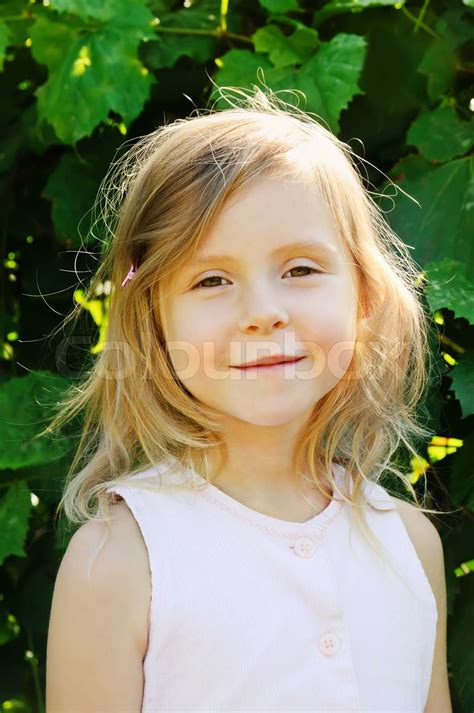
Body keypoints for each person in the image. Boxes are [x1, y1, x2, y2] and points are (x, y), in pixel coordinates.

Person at [45, 87, 452, 712]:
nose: (264, 313)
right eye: (212, 280)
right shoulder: (120, 565)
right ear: (155, 327)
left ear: (365, 297)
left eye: (301, 270)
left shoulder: (410, 546)